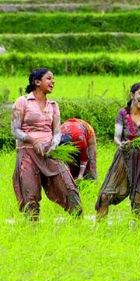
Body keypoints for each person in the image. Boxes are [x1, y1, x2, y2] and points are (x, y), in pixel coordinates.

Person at [10, 67, 83, 220]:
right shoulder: (22, 102)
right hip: (27, 153)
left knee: (69, 187)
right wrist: (32, 140)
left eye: (53, 78)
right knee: (31, 194)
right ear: (37, 82)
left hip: (50, 153)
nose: (53, 81)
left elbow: (57, 132)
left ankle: (78, 223)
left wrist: (53, 145)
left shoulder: (53, 106)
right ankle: (32, 229)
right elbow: (15, 130)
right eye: (49, 78)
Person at [96, 82, 140, 218]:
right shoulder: (123, 113)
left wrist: (132, 144)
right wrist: (121, 144)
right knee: (105, 196)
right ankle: (98, 231)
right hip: (123, 158)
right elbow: (117, 137)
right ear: (132, 95)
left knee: (138, 204)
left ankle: (138, 235)